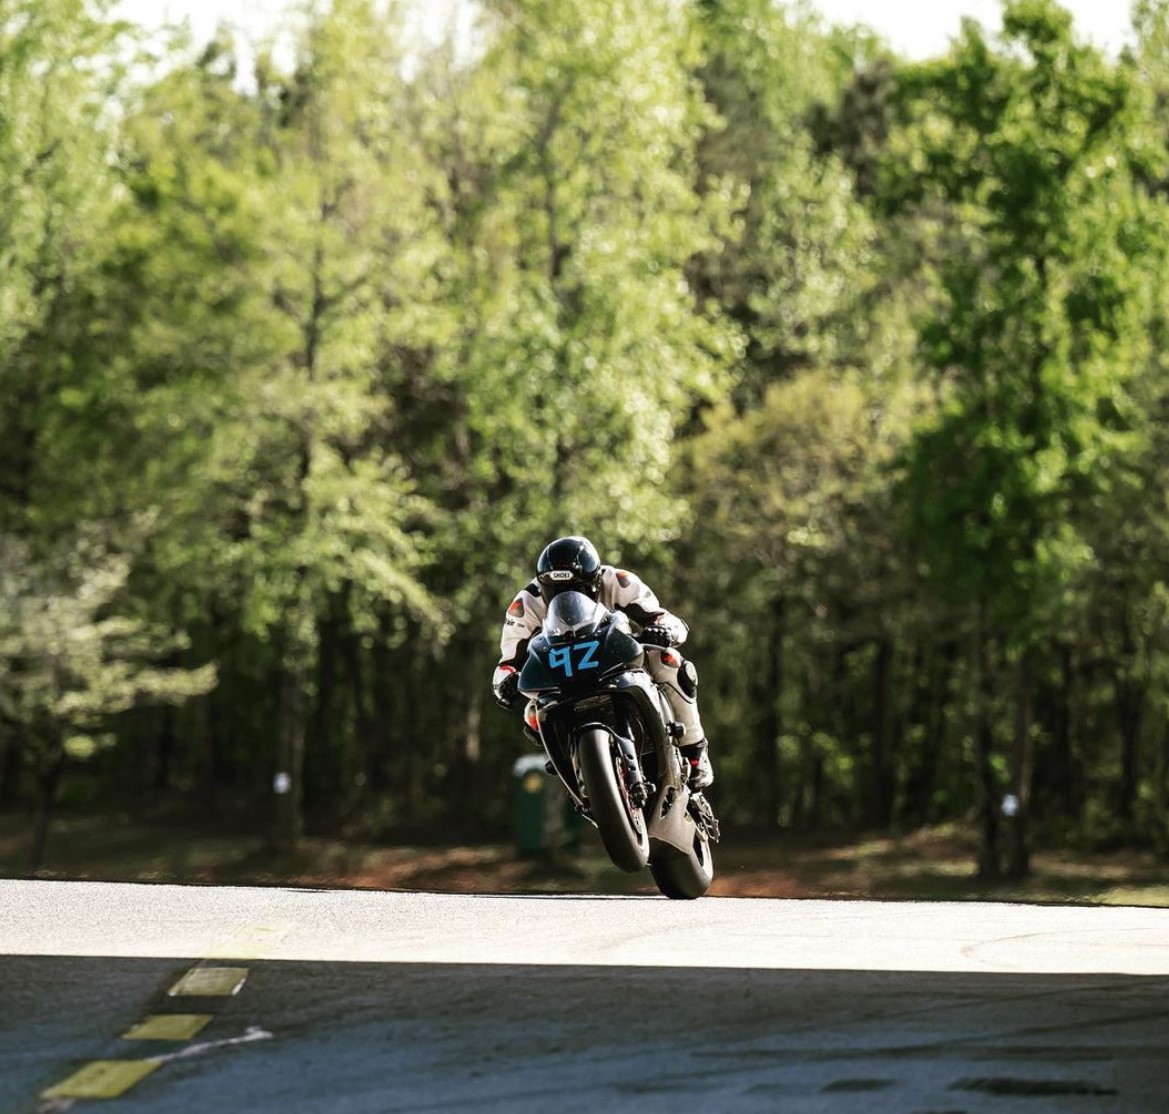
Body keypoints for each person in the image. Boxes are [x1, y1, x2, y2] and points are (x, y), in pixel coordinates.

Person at [491, 535, 713, 790]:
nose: (565, 598)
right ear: (543, 586)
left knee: (669, 660)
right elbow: (506, 662)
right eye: (556, 592)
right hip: (562, 676)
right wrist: (504, 682)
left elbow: (666, 620)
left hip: (617, 661)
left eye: (576, 589)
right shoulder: (525, 603)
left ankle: (695, 752)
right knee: (532, 712)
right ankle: (575, 768)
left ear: (595, 580)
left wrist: (663, 631)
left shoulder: (618, 580)